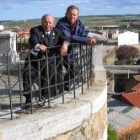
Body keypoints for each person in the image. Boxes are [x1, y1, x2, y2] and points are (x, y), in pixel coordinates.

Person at [23, 14, 68, 104]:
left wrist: (65, 43)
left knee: (46, 80)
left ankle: (43, 98)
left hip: (49, 61)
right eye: (45, 22)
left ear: (53, 23)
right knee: (27, 75)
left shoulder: (57, 31)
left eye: (49, 22)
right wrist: (38, 45)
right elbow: (33, 40)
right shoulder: (35, 30)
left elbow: (64, 38)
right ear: (41, 22)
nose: (47, 24)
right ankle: (28, 97)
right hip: (35, 60)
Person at [56, 5, 97, 90]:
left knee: (74, 69)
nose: (72, 16)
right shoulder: (61, 24)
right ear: (66, 14)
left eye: (74, 15)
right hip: (60, 51)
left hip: (72, 51)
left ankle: (65, 86)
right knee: (62, 71)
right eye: (70, 14)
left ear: (77, 15)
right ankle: (62, 87)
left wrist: (87, 39)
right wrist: (85, 40)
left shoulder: (79, 23)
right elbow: (69, 37)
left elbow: (84, 33)